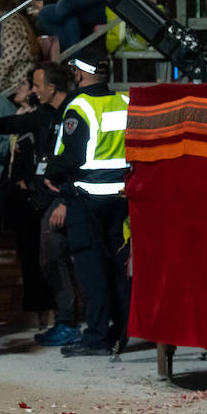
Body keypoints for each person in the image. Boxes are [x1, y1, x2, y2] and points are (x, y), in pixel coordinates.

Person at [46, 47, 130, 358]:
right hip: (121, 199)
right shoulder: (124, 101)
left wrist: (52, 170)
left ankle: (96, 337)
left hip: (87, 199)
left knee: (92, 269)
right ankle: (120, 332)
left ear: (79, 73)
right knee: (118, 268)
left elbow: (72, 155)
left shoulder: (78, 106)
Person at [0, 62, 80, 346]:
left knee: (65, 259)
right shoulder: (45, 114)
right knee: (50, 259)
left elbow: (78, 161)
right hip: (45, 198)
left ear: (51, 88)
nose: (34, 90)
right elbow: (17, 124)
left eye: (38, 85)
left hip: (70, 198)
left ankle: (70, 321)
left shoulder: (75, 114)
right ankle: (65, 320)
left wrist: (65, 197)